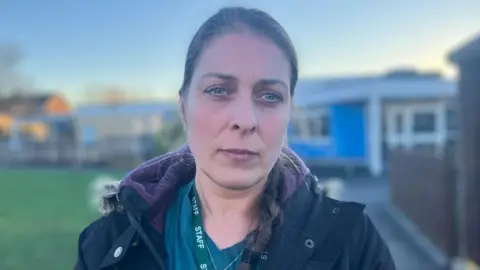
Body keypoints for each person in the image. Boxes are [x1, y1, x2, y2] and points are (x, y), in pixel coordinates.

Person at [75, 6, 395, 270]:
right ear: (183, 106)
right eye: (218, 90)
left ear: (289, 113)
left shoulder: (353, 244)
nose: (245, 120)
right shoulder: (107, 245)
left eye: (270, 96)